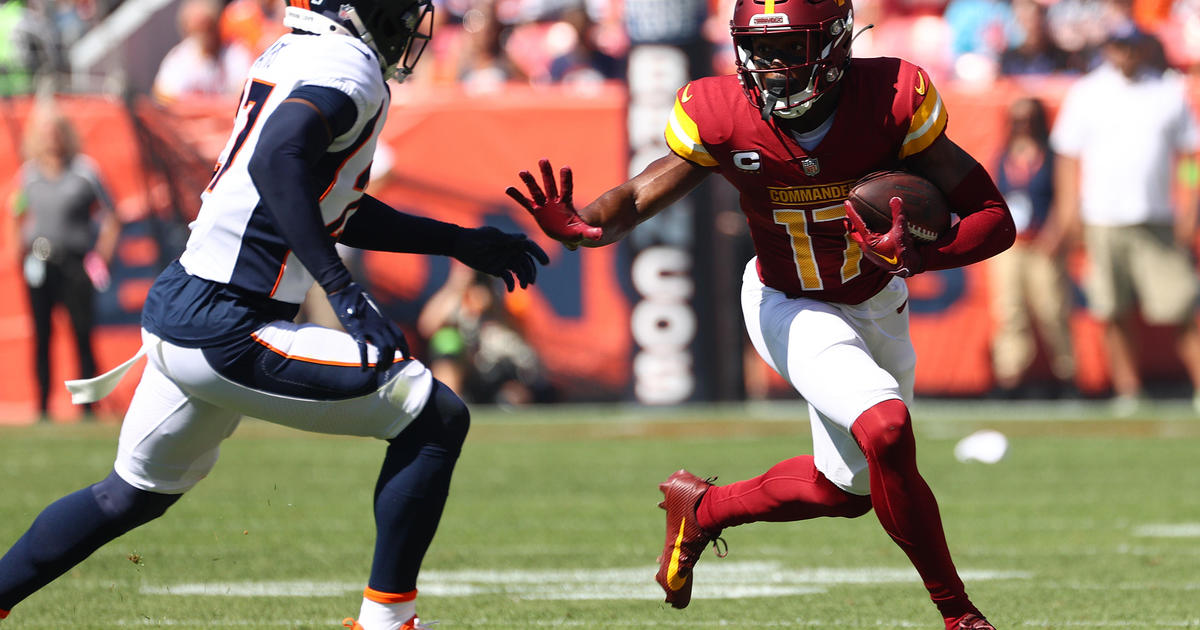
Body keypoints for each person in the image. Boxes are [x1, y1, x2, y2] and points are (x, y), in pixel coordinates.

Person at [0, 1, 547, 629]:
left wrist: (453, 239)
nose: (407, 19)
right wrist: (342, 289)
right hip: (231, 323)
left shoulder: (297, 52)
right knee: (434, 417)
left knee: (127, 496)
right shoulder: (347, 66)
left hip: (191, 303)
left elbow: (326, 201)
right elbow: (275, 163)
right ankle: (388, 623)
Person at [507, 0, 1015, 626]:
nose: (769, 66)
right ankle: (959, 615)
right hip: (788, 301)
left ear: (832, 44)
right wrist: (588, 225)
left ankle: (703, 509)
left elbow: (996, 219)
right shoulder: (721, 111)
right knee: (885, 428)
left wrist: (920, 258)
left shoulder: (892, 97)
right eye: (756, 47)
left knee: (845, 490)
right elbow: (641, 191)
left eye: (787, 48)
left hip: (877, 301)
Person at [1049, 24, 1200, 413]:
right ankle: (1129, 391)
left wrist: (1189, 203)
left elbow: (1190, 158)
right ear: (1108, 48)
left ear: (1142, 49)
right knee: (1111, 309)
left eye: (1131, 46)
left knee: (1182, 305)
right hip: (1102, 216)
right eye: (1118, 46)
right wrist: (1069, 210)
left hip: (1156, 218)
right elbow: (1068, 155)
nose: (1125, 54)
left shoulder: (1167, 91)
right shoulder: (1087, 92)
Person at [7, 101, 119, 422]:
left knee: (82, 333)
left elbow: (111, 216)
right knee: (42, 336)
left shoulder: (84, 171)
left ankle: (87, 407)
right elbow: (15, 212)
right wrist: (17, 250)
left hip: (75, 264)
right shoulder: (28, 175)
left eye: (56, 131)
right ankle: (42, 406)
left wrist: (101, 257)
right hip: (40, 264)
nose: (51, 139)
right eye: (45, 133)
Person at [988, 97, 1078, 398]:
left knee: (1052, 309)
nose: (1022, 125)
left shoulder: (1051, 156)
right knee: (1010, 309)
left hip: (1043, 242)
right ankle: (1009, 376)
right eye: (1017, 119)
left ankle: (1067, 375)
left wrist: (1056, 233)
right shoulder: (1002, 155)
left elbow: (1065, 196)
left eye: (1028, 119)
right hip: (1011, 245)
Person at [417, 264, 554, 406]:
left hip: (499, 371)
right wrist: (457, 284)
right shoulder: (455, 301)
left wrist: (495, 297)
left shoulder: (504, 298)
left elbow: (521, 337)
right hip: (469, 371)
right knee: (446, 340)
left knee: (515, 389)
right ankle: (448, 405)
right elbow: (426, 326)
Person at [151, 0, 253, 104]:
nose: (203, 32)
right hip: (190, 118)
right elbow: (163, 95)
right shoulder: (179, 57)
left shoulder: (234, 52)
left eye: (207, 25)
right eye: (197, 26)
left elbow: (245, 93)